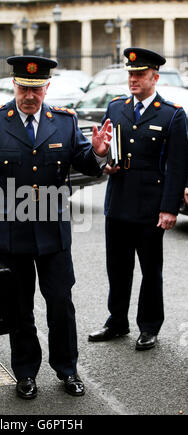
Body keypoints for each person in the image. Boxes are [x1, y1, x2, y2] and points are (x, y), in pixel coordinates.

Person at [0, 55, 112, 399]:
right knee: (20, 308)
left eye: (36, 89)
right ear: (13, 84)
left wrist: (98, 153)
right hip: (9, 232)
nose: (29, 95)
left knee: (61, 304)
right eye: (23, 87)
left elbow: (85, 163)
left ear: (46, 87)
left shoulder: (64, 121)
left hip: (53, 234)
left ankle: (67, 369)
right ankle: (25, 373)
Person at [88, 48, 188, 350]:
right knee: (116, 268)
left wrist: (170, 208)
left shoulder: (172, 114)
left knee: (150, 270)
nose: (133, 79)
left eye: (140, 74)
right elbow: (105, 150)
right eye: (130, 74)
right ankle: (116, 321)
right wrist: (104, 160)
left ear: (154, 77)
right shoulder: (116, 108)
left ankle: (149, 326)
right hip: (118, 200)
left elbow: (178, 166)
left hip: (150, 205)